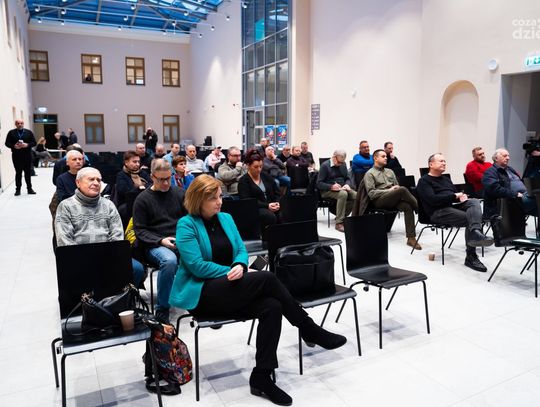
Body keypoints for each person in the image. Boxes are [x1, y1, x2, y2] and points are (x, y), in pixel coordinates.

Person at [168, 175, 346, 406]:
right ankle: (308, 328)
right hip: (203, 293)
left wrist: (240, 265)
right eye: (213, 198)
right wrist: (231, 271)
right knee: (267, 278)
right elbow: (197, 266)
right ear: (198, 200)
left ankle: (262, 376)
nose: (219, 202)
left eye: (220, 196)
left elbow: (241, 250)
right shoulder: (186, 225)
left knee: (272, 306)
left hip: (230, 288)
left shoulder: (226, 218)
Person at [55, 167, 144, 286]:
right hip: (79, 257)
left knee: (137, 269)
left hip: (108, 254)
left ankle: (121, 295)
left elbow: (117, 234)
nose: (96, 183)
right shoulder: (66, 206)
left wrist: (108, 255)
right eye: (91, 179)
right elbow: (64, 239)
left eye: (99, 180)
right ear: (78, 182)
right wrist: (84, 258)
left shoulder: (108, 204)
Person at [417, 153, 493, 272]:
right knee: (471, 218)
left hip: (451, 207)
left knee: (474, 201)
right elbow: (432, 200)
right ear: (431, 164)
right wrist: (454, 196)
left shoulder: (446, 179)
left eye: (444, 161)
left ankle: (475, 232)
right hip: (437, 211)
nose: (444, 163)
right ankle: (471, 256)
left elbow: (454, 196)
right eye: (441, 161)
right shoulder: (424, 181)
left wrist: (461, 197)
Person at [133, 159, 186, 323]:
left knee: (204, 251)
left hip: (179, 239)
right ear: (152, 177)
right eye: (161, 179)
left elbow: (189, 220)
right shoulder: (142, 199)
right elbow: (140, 230)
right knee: (169, 261)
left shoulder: (179, 193)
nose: (165, 183)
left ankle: (201, 299)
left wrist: (183, 237)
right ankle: (162, 309)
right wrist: (161, 240)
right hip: (154, 244)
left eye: (168, 178)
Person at [364, 149, 421, 249]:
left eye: (386, 156)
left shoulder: (390, 171)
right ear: (375, 158)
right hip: (379, 200)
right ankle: (421, 210)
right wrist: (389, 190)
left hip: (392, 198)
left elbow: (396, 186)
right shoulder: (369, 174)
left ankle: (411, 238)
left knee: (407, 206)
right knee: (402, 189)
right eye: (383, 156)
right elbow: (371, 193)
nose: (386, 158)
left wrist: (394, 189)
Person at [482, 148, 537, 218]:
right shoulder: (490, 172)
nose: (508, 158)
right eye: (505, 156)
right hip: (510, 200)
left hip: (525, 196)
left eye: (508, 156)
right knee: (538, 202)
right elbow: (494, 189)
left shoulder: (510, 169)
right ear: (496, 158)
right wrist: (515, 194)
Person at [238, 149, 281, 232]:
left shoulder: (266, 176)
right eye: (256, 167)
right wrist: (267, 205)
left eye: (261, 166)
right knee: (270, 216)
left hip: (271, 205)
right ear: (248, 165)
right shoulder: (244, 181)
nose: (259, 169)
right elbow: (247, 200)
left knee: (286, 213)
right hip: (256, 208)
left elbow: (277, 192)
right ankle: (269, 238)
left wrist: (277, 202)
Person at [317, 150, 357, 232]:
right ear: (334, 157)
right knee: (343, 194)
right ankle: (339, 223)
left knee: (356, 195)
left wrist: (347, 184)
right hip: (327, 191)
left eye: (342, 162)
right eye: (339, 162)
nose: (340, 164)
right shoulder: (325, 166)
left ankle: (343, 216)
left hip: (342, 188)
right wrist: (331, 186)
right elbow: (319, 183)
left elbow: (347, 178)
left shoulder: (343, 164)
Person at [5, 119, 37, 196]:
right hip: (16, 156)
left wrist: (27, 145)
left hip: (27, 156)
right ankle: (18, 189)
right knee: (18, 173)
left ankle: (29, 189)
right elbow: (7, 143)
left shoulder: (29, 132)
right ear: (15, 124)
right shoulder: (11, 133)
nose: (20, 124)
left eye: (21, 123)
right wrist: (13, 146)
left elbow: (34, 142)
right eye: (18, 123)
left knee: (27, 173)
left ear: (23, 124)